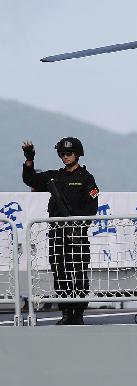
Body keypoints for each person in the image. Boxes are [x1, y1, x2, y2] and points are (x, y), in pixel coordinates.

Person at [21, 137, 100, 325]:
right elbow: (30, 179)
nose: (65, 157)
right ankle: (65, 311)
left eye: (68, 153)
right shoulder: (54, 177)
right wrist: (29, 159)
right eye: (62, 154)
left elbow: (92, 207)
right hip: (57, 233)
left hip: (78, 234)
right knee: (60, 272)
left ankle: (78, 313)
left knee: (79, 272)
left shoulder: (86, 179)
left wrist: (79, 227)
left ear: (77, 154)